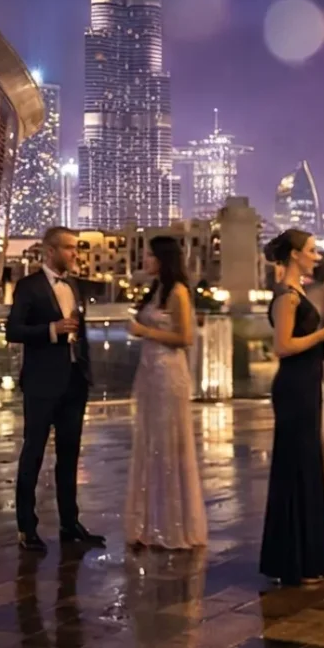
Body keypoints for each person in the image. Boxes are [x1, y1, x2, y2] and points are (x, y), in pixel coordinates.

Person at [6, 225, 103, 552]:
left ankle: (69, 522)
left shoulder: (73, 285)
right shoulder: (28, 286)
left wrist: (85, 368)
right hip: (42, 381)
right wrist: (52, 329)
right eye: (70, 248)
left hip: (75, 380)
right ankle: (26, 527)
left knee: (70, 453)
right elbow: (13, 330)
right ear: (50, 251)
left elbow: (81, 331)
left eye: (76, 248)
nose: (76, 254)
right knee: (33, 452)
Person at [261, 228, 324, 588]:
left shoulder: (298, 292)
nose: (316, 254)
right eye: (311, 249)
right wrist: (323, 336)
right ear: (294, 254)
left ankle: (304, 558)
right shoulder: (287, 297)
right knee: (296, 466)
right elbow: (284, 346)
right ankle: (293, 559)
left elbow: (300, 345)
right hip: (294, 389)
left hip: (306, 385)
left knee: (305, 464)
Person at [124, 235, 206, 552]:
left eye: (149, 256)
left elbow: (185, 337)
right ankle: (152, 520)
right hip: (150, 372)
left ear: (162, 258)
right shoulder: (157, 289)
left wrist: (144, 331)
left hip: (169, 373)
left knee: (169, 443)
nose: (144, 261)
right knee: (151, 442)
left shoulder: (178, 292)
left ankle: (172, 522)